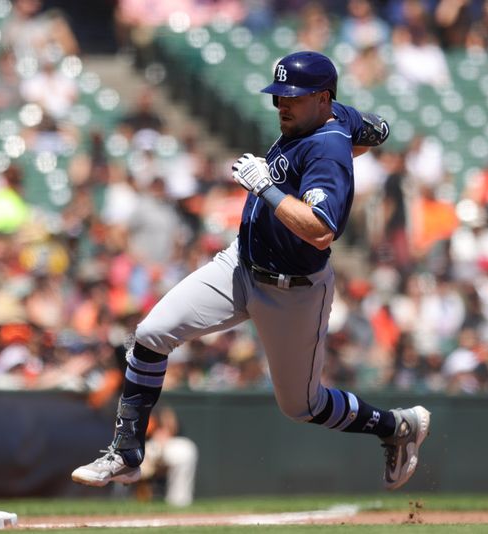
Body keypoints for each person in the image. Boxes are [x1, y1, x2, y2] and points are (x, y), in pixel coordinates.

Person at [72, 51, 431, 493]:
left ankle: (395, 426)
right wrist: (374, 129)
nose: (282, 104)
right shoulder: (332, 115)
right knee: (150, 335)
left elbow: (321, 231)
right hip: (240, 263)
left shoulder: (326, 147)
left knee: (302, 405)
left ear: (321, 98)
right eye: (279, 95)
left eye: (293, 97)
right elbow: (370, 127)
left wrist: (268, 188)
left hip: (293, 291)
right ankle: (126, 454)